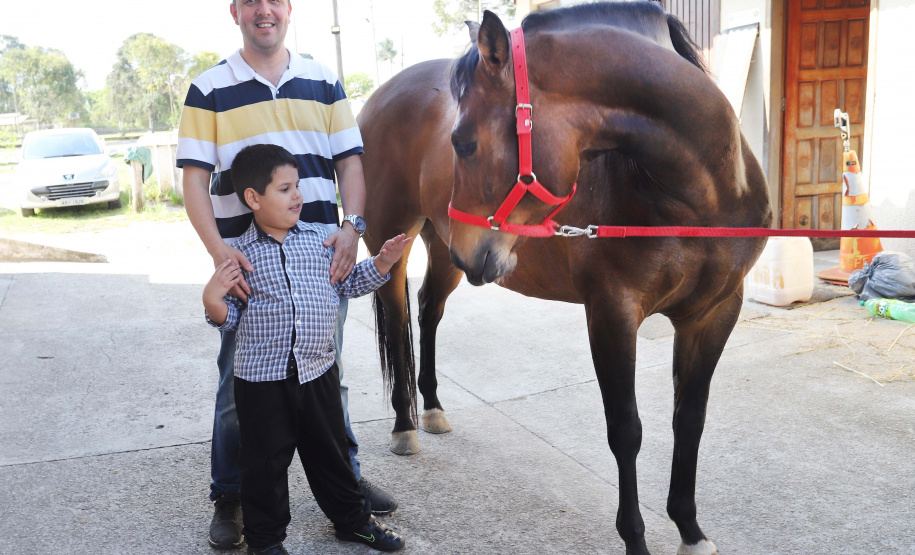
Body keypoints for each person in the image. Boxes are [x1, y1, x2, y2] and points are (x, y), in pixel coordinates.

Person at [176, 0, 396, 549]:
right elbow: (194, 183)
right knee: (238, 390)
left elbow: (349, 162)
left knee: (326, 376)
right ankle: (232, 496)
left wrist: (354, 228)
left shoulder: (324, 80)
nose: (263, 10)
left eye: (273, 0)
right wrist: (221, 258)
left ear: (289, 9)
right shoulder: (209, 90)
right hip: (251, 267)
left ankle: (344, 484)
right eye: (251, 1)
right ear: (235, 12)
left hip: (323, 259)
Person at [203, 144, 409, 554]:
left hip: (317, 372)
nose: (297, 195)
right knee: (264, 465)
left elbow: (348, 283)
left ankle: (352, 521)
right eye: (284, 188)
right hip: (262, 381)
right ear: (253, 199)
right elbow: (230, 318)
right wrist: (212, 298)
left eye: (297, 186)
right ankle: (265, 541)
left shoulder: (320, 240)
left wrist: (382, 264)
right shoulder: (241, 257)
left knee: (331, 454)